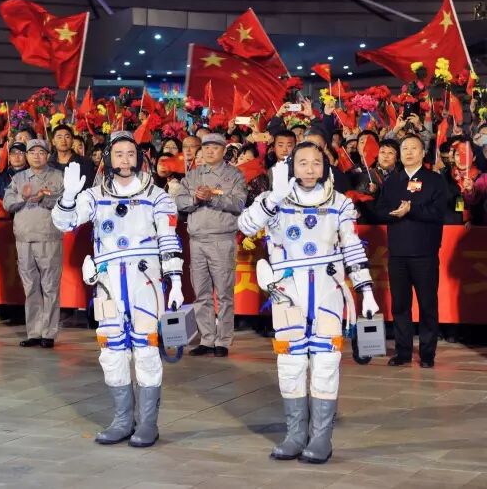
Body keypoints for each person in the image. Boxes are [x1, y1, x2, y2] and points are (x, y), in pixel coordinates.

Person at [237, 141, 379, 463]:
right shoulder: (274, 201)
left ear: (325, 167)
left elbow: (352, 247)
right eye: (302, 162)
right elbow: (245, 225)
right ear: (291, 167)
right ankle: (295, 435)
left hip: (328, 291)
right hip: (288, 294)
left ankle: (321, 438)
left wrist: (366, 291)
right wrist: (274, 196)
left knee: (326, 364)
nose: (310, 168)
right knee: (290, 364)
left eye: (317, 162)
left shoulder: (340, 203)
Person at [51, 131, 184, 448]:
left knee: (147, 351)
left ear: (140, 157)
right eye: (119, 154)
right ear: (109, 158)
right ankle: (123, 420)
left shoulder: (158, 196)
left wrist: (176, 281)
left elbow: (169, 240)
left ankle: (148, 423)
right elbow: (65, 223)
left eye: (130, 153)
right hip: (108, 283)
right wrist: (68, 196)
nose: (125, 159)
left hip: (146, 281)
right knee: (111, 351)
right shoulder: (94, 195)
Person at [375, 134, 447, 368]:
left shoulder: (434, 180)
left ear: (423, 153)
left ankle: (427, 354)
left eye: (413, 148)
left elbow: (438, 213)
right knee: (400, 305)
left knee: (427, 305)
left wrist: (411, 209)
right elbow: (379, 210)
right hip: (397, 254)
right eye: (404, 148)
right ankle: (403, 352)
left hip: (424, 253)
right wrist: (395, 213)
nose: (408, 152)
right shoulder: (392, 181)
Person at [175, 133, 247, 357]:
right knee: (201, 293)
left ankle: (223, 341)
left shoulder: (234, 175)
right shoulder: (193, 175)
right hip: (196, 241)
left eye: (215, 148)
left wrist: (212, 198)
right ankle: (206, 338)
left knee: (224, 294)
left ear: (224, 151)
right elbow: (179, 202)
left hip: (222, 240)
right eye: (206, 148)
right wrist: (195, 199)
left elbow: (239, 203)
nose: (209, 151)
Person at [3, 139, 64, 348]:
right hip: (24, 239)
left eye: (41, 152)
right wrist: (23, 196)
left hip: (49, 237)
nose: (37, 156)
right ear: (26, 156)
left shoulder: (58, 176)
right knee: (30, 287)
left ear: (48, 155)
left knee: (50, 287)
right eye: (32, 152)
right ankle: (34, 332)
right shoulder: (18, 178)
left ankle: (49, 333)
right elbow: (7, 203)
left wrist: (44, 199)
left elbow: (67, 202)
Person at [49, 124, 95, 188]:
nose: (63, 140)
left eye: (67, 137)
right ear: (53, 142)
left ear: (72, 141)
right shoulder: (47, 165)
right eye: (59, 137)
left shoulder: (86, 163)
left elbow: (89, 188)